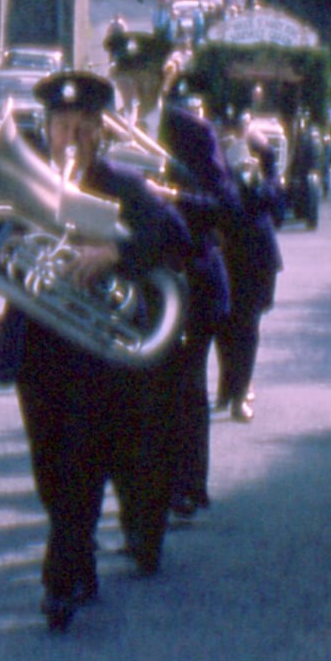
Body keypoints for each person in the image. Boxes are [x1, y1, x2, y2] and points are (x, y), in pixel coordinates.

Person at [0, 70, 193, 631]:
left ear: (101, 133)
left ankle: (61, 582)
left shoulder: (125, 186)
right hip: (38, 343)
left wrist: (115, 251)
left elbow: (178, 237)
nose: (71, 138)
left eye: (83, 127)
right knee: (49, 469)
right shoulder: (26, 185)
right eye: (62, 126)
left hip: (97, 352)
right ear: (47, 128)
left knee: (81, 463)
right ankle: (76, 565)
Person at [107, 33, 236, 524]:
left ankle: (187, 487)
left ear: (164, 77)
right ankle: (144, 497)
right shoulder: (111, 134)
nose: (133, 89)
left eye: (143, 78)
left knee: (183, 385)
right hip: (134, 276)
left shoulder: (192, 131)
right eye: (125, 78)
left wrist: (173, 198)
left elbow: (225, 205)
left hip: (189, 275)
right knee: (137, 393)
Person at [215, 126, 285, 423]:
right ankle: (227, 386)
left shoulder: (264, 169)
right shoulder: (217, 160)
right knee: (223, 325)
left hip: (256, 258)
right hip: (226, 254)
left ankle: (239, 394)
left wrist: (264, 164)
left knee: (247, 328)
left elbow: (277, 209)